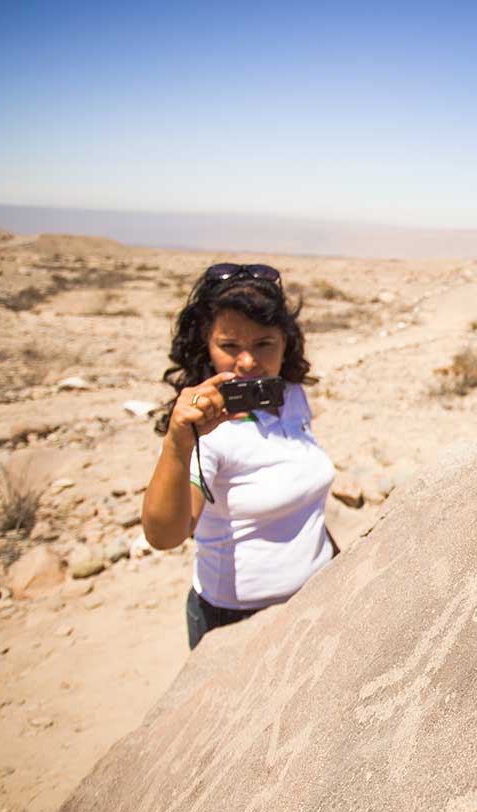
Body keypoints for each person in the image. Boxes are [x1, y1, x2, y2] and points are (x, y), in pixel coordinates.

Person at [142, 263, 338, 649]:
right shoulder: (208, 434)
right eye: (229, 347)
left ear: (286, 342)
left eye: (264, 344)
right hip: (236, 625)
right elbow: (165, 535)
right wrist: (178, 442)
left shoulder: (293, 397)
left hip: (314, 600)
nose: (247, 362)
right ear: (206, 346)